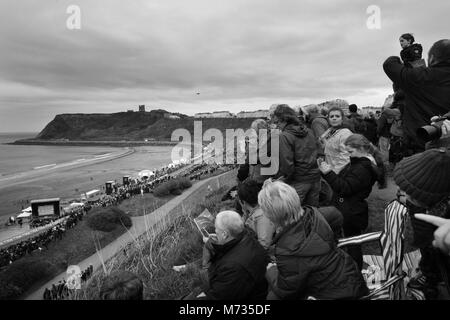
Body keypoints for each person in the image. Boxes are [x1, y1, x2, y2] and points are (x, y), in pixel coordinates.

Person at [259, 180, 368, 300]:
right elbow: (336, 215)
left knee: (272, 297)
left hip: (332, 295)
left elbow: (286, 290)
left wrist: (270, 271)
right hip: (351, 279)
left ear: (270, 216)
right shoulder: (314, 214)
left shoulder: (288, 251)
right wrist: (332, 240)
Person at [319, 134, 385, 270]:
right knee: (349, 242)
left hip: (351, 211)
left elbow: (344, 188)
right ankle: (350, 269)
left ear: (361, 148)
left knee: (352, 243)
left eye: (350, 151)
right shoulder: (359, 162)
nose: (349, 155)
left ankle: (354, 271)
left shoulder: (363, 168)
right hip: (350, 209)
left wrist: (327, 173)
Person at [393, 148, 450, 299]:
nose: (404, 193)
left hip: (442, 265)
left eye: (411, 192)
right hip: (427, 239)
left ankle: (431, 281)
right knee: (428, 253)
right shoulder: (433, 200)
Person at [383, 39, 450, 154]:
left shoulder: (419, 77)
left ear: (432, 58)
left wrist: (403, 58)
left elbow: (389, 64)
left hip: (420, 144)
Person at [200, 211, 269, 300]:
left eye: (216, 229)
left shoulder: (232, 267)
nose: (215, 231)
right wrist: (221, 241)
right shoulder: (249, 238)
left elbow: (217, 297)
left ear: (225, 234)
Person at [271, 104, 321, 207]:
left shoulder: (284, 136)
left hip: (299, 181)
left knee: (293, 213)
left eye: (277, 122)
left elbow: (287, 163)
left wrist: (285, 180)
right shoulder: (309, 131)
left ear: (285, 120)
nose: (276, 125)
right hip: (315, 178)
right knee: (313, 212)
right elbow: (317, 152)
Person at [237, 179, 276, 250]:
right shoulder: (253, 212)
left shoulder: (262, 217)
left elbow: (264, 246)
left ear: (243, 202)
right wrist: (245, 214)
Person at [319, 107, 353, 174]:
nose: (334, 118)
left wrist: (334, 172)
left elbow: (346, 157)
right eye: (331, 116)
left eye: (337, 116)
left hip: (340, 172)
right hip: (329, 168)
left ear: (342, 119)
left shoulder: (345, 133)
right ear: (328, 119)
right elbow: (331, 148)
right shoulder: (331, 130)